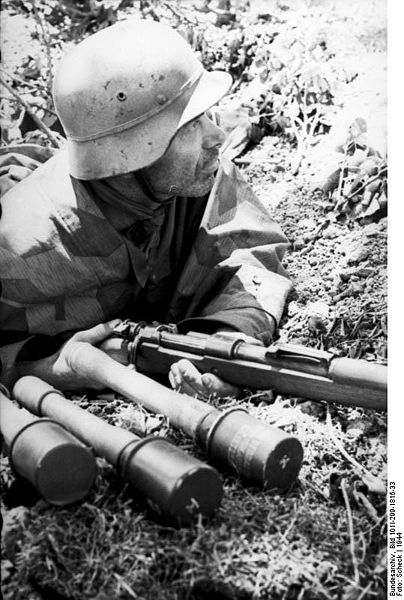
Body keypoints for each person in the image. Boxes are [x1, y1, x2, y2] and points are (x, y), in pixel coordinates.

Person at [0, 19, 292, 397]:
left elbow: (250, 256)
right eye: (190, 125)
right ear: (130, 155)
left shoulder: (197, 180)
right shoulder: (19, 249)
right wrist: (51, 369)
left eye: (208, 116)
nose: (217, 137)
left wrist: (225, 345)